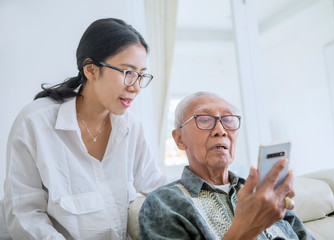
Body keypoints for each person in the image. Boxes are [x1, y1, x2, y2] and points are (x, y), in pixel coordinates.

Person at [3, 18, 167, 240]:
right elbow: (25, 215)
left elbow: (155, 188)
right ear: (91, 70)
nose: (136, 87)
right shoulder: (34, 123)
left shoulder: (130, 126)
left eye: (140, 75)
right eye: (127, 72)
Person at [139, 92, 314, 240]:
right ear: (179, 138)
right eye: (205, 119)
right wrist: (245, 229)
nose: (221, 130)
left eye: (228, 120)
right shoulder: (163, 203)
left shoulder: (262, 194)